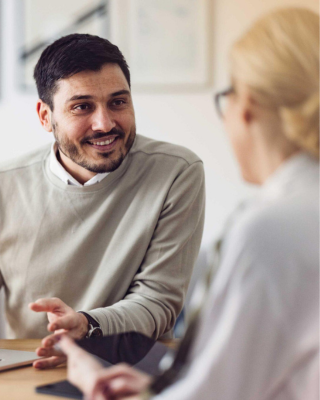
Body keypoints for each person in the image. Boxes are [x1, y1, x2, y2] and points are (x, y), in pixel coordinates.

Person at [57, 8, 320, 399]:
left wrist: (94, 382)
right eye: (82, 106)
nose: (104, 124)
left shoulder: (269, 229)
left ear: (245, 106)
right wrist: (157, 385)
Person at [0, 34, 206, 369]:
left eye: (118, 102)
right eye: (82, 106)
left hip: (132, 370)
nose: (105, 123)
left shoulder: (176, 172)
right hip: (30, 368)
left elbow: (158, 301)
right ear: (45, 116)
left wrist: (87, 325)